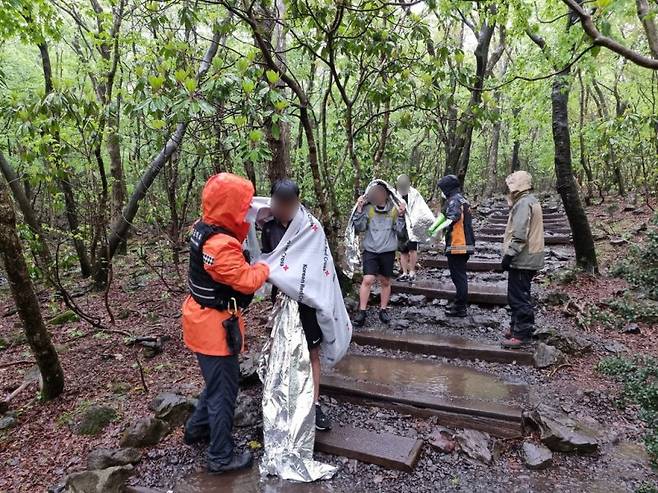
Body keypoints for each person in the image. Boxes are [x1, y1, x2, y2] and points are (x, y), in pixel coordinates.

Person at [182, 173, 270, 474]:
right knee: (224, 393)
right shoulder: (220, 246)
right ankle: (220, 456)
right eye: (243, 205)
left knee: (216, 384)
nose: (246, 211)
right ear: (230, 206)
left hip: (202, 321)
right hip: (214, 330)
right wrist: (264, 265)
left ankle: (196, 428)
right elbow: (247, 282)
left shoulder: (202, 228)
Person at [260, 179, 332, 431]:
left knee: (312, 352)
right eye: (278, 203)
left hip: (306, 301)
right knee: (283, 350)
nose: (283, 208)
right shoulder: (268, 227)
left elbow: (318, 265)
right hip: (281, 301)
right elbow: (269, 261)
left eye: (288, 204)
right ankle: (284, 402)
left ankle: (315, 404)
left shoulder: (310, 228)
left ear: (297, 203)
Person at [500, 171, 544, 349]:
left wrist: (509, 255)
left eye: (510, 185)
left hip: (524, 257)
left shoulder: (524, 203)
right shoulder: (530, 200)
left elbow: (520, 233)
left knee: (518, 296)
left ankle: (522, 334)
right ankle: (515, 327)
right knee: (517, 293)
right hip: (530, 255)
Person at [352, 182, 406, 327]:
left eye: (380, 192)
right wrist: (359, 209)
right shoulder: (369, 209)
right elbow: (360, 227)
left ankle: (383, 310)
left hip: (387, 251)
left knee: (385, 281)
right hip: (371, 250)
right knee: (368, 279)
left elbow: (400, 233)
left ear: (387, 194)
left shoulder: (394, 210)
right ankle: (362, 311)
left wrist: (401, 216)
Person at [429, 175, 475, 317]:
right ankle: (459, 304)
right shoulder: (462, 200)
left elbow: (451, 218)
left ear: (447, 189)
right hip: (465, 243)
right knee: (459, 275)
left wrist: (435, 231)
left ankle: (460, 307)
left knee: (458, 276)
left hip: (458, 244)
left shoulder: (454, 201)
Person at [396, 174, 418, 282]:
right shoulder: (395, 195)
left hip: (412, 224)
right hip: (400, 224)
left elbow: (419, 208)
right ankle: (404, 272)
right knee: (403, 250)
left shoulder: (414, 194)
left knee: (412, 249)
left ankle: (412, 271)